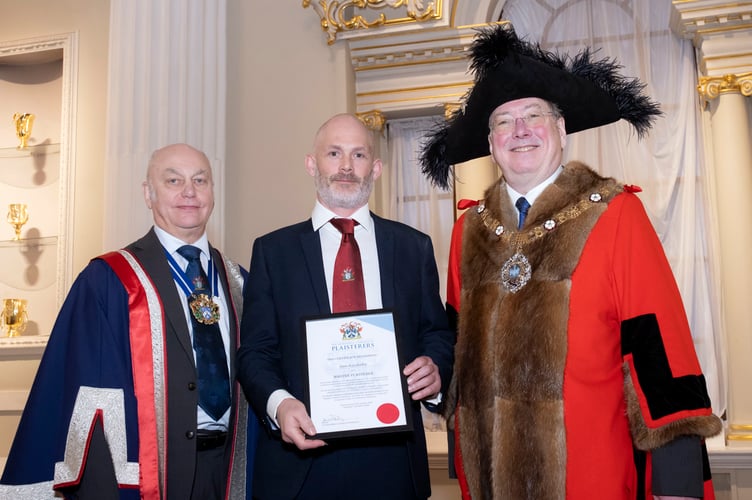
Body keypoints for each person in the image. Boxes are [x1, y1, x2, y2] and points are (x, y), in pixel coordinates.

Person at [419, 26, 722, 500]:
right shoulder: (468, 233)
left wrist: (676, 485)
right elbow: (459, 363)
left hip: (592, 479)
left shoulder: (615, 215)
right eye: (503, 121)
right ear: (491, 143)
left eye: (534, 115)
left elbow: (662, 354)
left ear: (561, 130)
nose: (519, 131)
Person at [0, 144, 255, 499]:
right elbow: (85, 392)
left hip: (228, 468)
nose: (189, 191)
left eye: (200, 180)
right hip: (150, 473)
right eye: (173, 180)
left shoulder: (240, 282)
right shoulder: (107, 281)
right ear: (148, 193)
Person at [237, 113, 454, 500]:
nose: (346, 167)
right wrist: (280, 405)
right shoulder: (272, 252)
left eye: (358, 155)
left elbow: (436, 331)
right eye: (334, 153)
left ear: (377, 168)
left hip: (393, 465)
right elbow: (255, 351)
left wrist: (435, 369)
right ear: (311, 164)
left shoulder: (412, 247)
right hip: (299, 465)